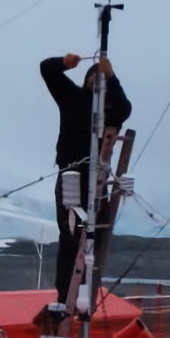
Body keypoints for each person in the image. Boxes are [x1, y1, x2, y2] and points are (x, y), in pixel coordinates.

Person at [40, 53, 132, 304]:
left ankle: (84, 294)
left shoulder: (111, 112)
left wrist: (112, 78)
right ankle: (65, 295)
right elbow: (47, 70)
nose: (99, 83)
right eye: (97, 78)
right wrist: (64, 62)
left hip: (97, 178)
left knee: (92, 237)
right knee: (70, 234)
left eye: (103, 80)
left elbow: (126, 108)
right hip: (71, 173)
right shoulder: (72, 98)